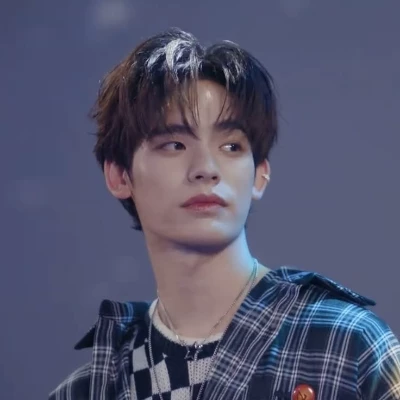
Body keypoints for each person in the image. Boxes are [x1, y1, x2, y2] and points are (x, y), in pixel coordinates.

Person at [49, 28, 400, 400]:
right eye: (174, 144)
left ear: (260, 175)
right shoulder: (89, 390)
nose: (206, 169)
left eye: (231, 146)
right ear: (120, 175)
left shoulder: (346, 344)